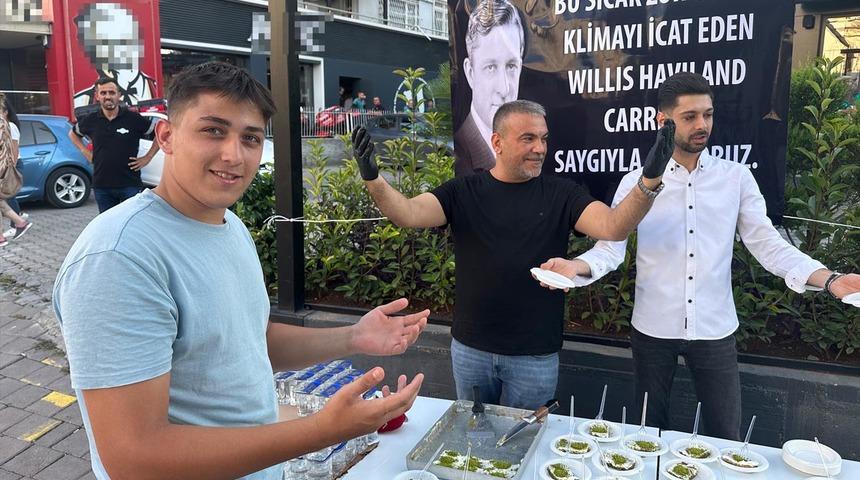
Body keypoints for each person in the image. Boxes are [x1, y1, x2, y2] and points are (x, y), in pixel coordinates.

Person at [53, 62, 427, 479]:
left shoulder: (228, 226)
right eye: (213, 130)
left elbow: (250, 342)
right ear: (167, 137)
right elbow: (133, 456)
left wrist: (355, 336)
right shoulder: (118, 257)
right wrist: (321, 431)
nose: (234, 155)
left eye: (249, 138)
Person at [539, 72, 860, 440]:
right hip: (653, 328)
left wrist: (830, 279)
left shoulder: (735, 178)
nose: (702, 125)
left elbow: (767, 244)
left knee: (725, 434)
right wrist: (576, 266)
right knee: (648, 433)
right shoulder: (636, 184)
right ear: (663, 121)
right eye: (690, 116)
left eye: (707, 114)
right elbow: (611, 247)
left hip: (715, 328)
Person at [350, 99, 674, 409]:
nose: (540, 148)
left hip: (534, 356)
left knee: (524, 446)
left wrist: (649, 181)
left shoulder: (562, 194)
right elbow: (407, 213)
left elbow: (614, 227)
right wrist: (373, 179)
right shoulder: (462, 191)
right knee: (474, 442)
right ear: (497, 142)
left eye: (544, 139)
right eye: (528, 138)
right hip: (470, 350)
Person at [69, 77, 160, 213]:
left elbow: (160, 134)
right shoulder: (91, 120)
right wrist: (84, 151)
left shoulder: (133, 119)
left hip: (130, 185)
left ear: (119, 95)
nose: (108, 97)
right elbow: (72, 134)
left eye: (112, 93)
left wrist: (148, 157)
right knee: (108, 227)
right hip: (102, 186)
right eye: (103, 93)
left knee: (132, 224)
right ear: (97, 96)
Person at [455, 0, 524, 176]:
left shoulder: (529, 149)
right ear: (470, 73)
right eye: (491, 67)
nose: (504, 88)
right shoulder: (460, 159)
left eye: (511, 66)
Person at [0, 94, 32, 247]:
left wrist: (8, 168)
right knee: (5, 198)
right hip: (5, 166)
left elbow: (14, 149)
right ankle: (19, 222)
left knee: (7, 197)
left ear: (5, 112)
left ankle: (17, 223)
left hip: (11, 165)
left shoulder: (10, 126)